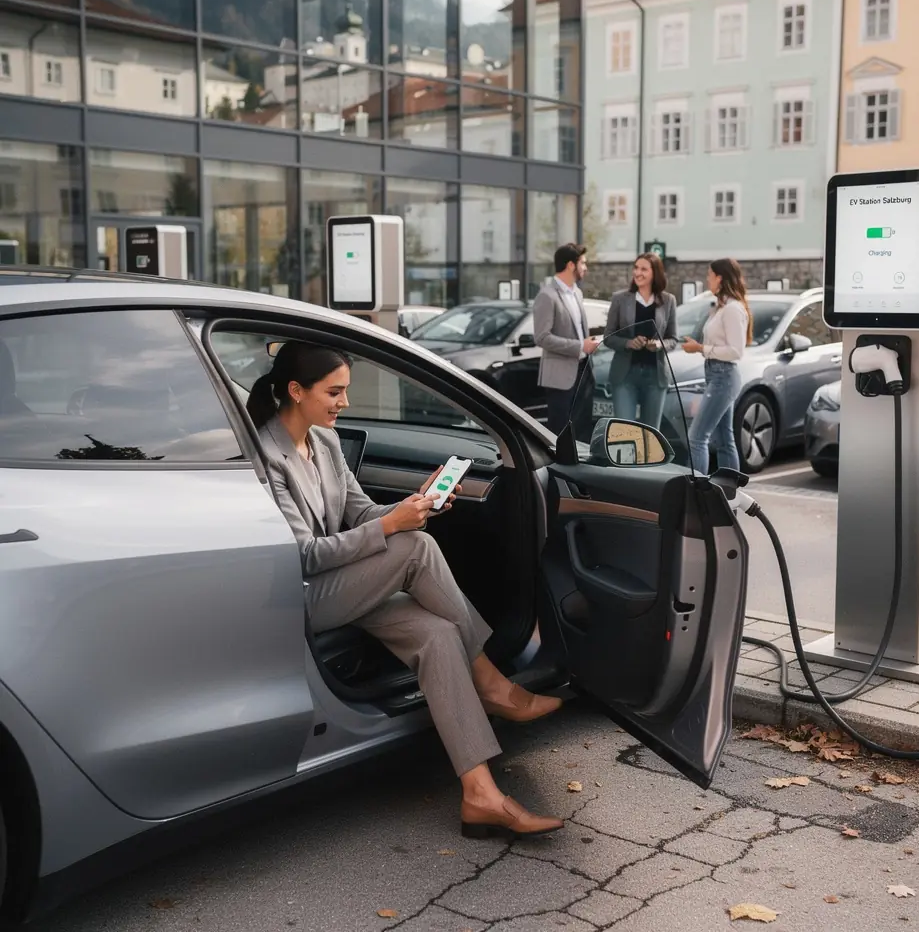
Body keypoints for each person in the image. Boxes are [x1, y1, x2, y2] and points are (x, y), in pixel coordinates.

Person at [247, 341, 565, 839]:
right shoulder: (266, 457)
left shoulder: (325, 442)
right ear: (296, 390)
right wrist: (393, 527)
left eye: (345, 391)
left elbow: (361, 513)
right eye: (334, 392)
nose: (345, 402)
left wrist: (415, 504)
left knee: (438, 634)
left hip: (346, 582)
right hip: (302, 595)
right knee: (415, 548)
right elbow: (303, 555)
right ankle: (489, 681)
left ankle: (480, 795)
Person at [680, 258, 753, 475]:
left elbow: (735, 351)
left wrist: (700, 348)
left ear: (719, 278)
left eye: (709, 276)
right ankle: (729, 489)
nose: (707, 280)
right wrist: (699, 347)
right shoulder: (722, 308)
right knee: (723, 439)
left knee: (696, 437)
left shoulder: (733, 309)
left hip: (724, 376)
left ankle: (696, 489)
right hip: (716, 374)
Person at [604, 253, 678, 430]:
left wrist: (659, 345)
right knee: (625, 431)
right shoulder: (620, 299)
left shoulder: (668, 300)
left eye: (644, 269)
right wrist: (628, 343)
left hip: (655, 376)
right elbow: (608, 336)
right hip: (625, 375)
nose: (638, 273)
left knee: (650, 434)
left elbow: (673, 339)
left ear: (655, 273)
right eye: (636, 268)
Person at [533, 244, 600, 434]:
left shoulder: (577, 293)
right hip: (559, 376)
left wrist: (588, 344)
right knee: (559, 432)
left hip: (583, 371)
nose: (585, 268)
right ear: (571, 265)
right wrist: (580, 346)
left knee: (581, 430)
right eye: (583, 263)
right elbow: (542, 337)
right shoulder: (547, 295)